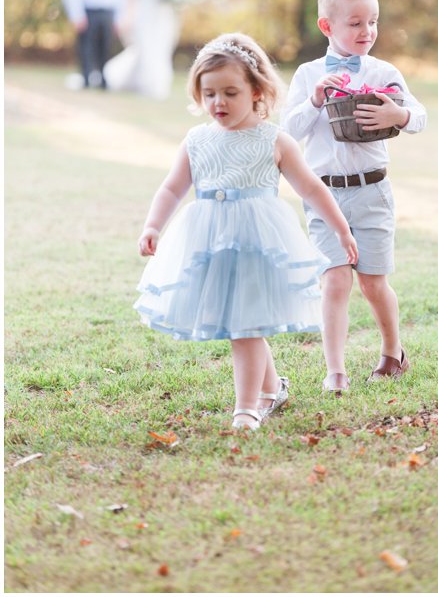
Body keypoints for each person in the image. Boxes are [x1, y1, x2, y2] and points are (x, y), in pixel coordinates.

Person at [135, 33, 358, 430]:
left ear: (256, 90)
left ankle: (247, 407)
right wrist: (154, 224)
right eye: (209, 94)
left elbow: (311, 187)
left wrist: (341, 230)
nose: (218, 103)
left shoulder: (274, 140)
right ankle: (272, 388)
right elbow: (173, 187)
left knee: (244, 327)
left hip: (259, 244)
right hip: (211, 244)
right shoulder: (197, 140)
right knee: (240, 321)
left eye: (230, 93)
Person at [283, 0, 427, 393]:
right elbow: (288, 130)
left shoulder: (384, 72)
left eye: (374, 22)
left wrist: (396, 117)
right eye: (356, 23)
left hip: (372, 191)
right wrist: (314, 99)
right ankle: (336, 371)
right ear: (327, 26)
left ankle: (392, 352)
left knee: (372, 282)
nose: (367, 32)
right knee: (335, 279)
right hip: (323, 193)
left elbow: (419, 116)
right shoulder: (309, 74)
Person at [106, 0, 196, 100]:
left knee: (160, 51)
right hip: (142, 20)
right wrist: (125, 20)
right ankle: (140, 84)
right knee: (143, 51)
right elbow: (130, 0)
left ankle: (157, 86)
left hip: (162, 20)